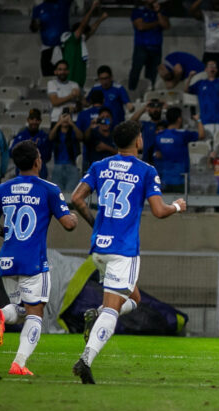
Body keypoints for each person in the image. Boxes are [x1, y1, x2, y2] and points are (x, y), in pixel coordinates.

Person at [70, 120, 187, 384]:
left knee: (133, 297)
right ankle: (86, 359)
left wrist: (95, 224)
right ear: (138, 141)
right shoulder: (146, 170)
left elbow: (76, 198)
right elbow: (159, 211)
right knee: (114, 307)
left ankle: (98, 315)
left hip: (100, 248)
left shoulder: (100, 166)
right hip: (123, 250)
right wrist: (178, 206)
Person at [0, 140, 77, 374]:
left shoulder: (3, 189)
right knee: (36, 315)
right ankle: (19, 364)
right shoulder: (49, 188)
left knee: (21, 309)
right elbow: (68, 225)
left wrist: (7, 233)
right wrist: (73, 217)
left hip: (7, 261)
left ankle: (0, 314)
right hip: (33, 262)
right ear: (37, 161)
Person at [52, 0, 108, 87]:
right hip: (69, 82)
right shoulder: (70, 40)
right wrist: (92, 8)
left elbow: (91, 30)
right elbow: (83, 24)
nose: (85, 34)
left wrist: (101, 19)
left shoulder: (80, 42)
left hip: (79, 82)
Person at [153, 107, 205, 192]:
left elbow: (157, 155)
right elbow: (202, 135)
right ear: (179, 119)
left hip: (164, 178)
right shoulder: (182, 135)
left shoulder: (159, 136)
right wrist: (198, 120)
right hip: (180, 179)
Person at [129, 0, 170, 91]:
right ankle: (131, 92)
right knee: (135, 72)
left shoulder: (161, 11)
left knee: (152, 76)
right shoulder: (138, 11)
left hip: (156, 48)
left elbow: (166, 26)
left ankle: (148, 94)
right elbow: (141, 26)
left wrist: (158, 12)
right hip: (141, 47)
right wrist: (157, 23)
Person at [189, 0, 219, 78]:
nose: (217, 3)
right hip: (209, 52)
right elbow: (192, 10)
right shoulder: (206, 14)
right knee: (206, 78)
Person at [186, 60, 219, 136]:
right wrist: (190, 77)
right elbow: (186, 90)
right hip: (205, 120)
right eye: (210, 66)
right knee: (205, 145)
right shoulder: (200, 83)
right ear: (206, 69)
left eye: (214, 66)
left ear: (216, 70)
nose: (212, 68)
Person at [31, 0, 72, 76]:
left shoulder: (64, 3)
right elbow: (33, 28)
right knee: (47, 77)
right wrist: (36, 25)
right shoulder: (38, 8)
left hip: (65, 48)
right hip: (47, 49)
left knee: (67, 78)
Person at [10, 109, 52, 180]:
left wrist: (36, 147)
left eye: (37, 119)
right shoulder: (21, 136)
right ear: (28, 120)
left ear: (40, 121)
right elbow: (11, 153)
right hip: (22, 174)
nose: (34, 122)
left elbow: (48, 157)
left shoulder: (44, 136)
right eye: (32, 119)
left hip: (40, 174)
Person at [48, 110, 83, 191]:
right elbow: (50, 137)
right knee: (57, 194)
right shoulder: (56, 132)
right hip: (57, 166)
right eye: (63, 117)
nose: (65, 119)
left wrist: (72, 124)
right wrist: (58, 123)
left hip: (72, 167)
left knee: (70, 194)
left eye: (67, 117)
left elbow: (81, 137)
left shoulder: (73, 132)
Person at [48, 60, 81, 125]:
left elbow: (79, 104)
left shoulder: (75, 84)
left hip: (73, 119)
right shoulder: (51, 83)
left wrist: (75, 109)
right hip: (57, 119)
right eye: (60, 69)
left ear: (68, 71)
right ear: (55, 72)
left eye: (65, 69)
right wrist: (71, 96)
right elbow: (55, 102)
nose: (62, 72)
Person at [83, 106, 116, 171]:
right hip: (95, 170)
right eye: (102, 118)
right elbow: (85, 138)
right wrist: (90, 127)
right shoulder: (93, 133)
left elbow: (121, 153)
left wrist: (107, 147)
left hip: (111, 170)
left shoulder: (115, 135)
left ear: (111, 120)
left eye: (107, 117)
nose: (105, 120)